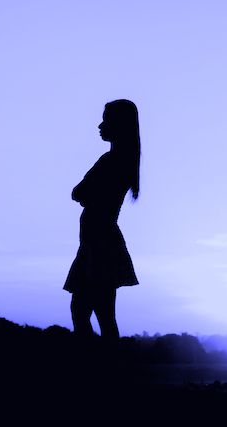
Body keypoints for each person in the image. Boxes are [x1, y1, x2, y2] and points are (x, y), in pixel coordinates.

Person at [64, 99, 141, 340]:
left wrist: (85, 195)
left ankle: (100, 360)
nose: (100, 125)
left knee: (88, 312)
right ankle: (104, 359)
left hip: (99, 244)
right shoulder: (120, 161)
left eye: (106, 120)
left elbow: (79, 193)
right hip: (97, 242)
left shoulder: (112, 161)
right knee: (100, 314)